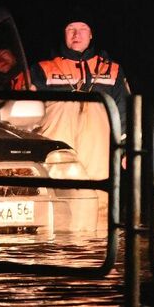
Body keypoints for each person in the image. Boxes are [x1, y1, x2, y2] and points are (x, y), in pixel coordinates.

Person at [30, 12, 129, 185]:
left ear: (91, 34)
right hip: (57, 147)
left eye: (83, 28)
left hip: (98, 148)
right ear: (64, 33)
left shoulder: (112, 69)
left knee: (99, 195)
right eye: (71, 29)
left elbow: (124, 110)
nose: (77, 34)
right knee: (58, 194)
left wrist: (126, 150)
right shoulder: (43, 68)